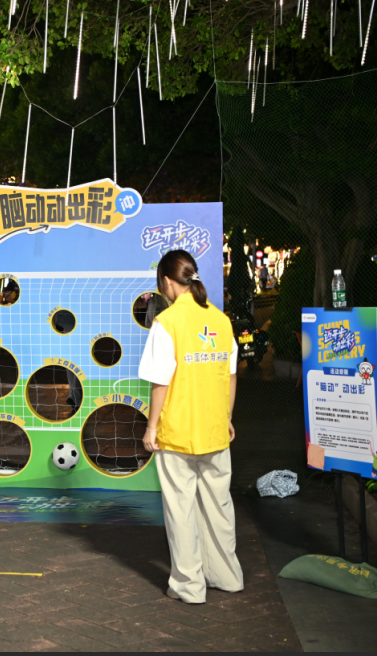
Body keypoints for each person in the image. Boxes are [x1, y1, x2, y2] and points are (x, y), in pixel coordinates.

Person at [138, 250, 243, 605]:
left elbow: (160, 383)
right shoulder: (221, 320)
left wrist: (151, 428)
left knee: (180, 511)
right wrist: (226, 418)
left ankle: (189, 586)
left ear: (168, 282)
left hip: (178, 433)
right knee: (219, 506)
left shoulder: (167, 323)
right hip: (215, 430)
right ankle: (227, 577)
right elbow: (231, 376)